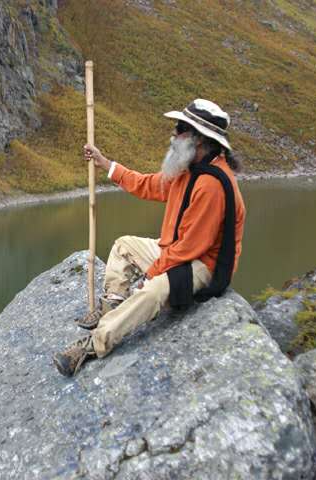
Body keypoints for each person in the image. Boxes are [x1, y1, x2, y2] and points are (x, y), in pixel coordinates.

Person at [53, 99, 247, 377]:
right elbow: (151, 185)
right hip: (179, 251)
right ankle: (113, 306)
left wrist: (152, 274)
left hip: (204, 265)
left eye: (180, 128)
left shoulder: (212, 185)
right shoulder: (188, 168)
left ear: (199, 140)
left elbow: (191, 247)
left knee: (153, 291)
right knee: (123, 246)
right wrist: (106, 164)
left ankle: (94, 344)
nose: (173, 134)